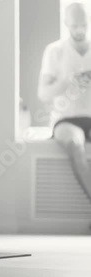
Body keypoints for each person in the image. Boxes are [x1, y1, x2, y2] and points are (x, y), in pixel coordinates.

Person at [38, 2, 91, 201]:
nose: (80, 30)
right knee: (75, 145)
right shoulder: (55, 51)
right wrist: (68, 82)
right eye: (75, 25)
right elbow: (44, 94)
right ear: (66, 23)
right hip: (66, 119)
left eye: (84, 25)